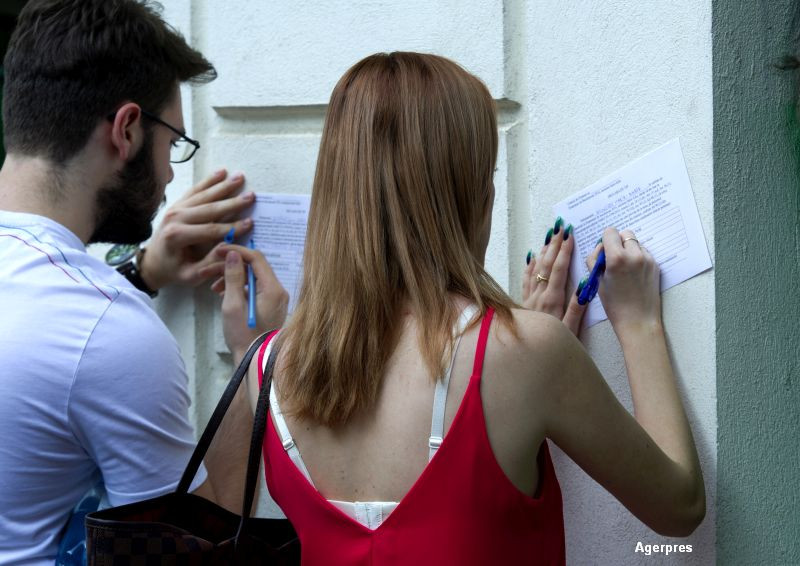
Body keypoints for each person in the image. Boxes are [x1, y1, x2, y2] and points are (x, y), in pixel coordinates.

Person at [233, 52, 705, 564]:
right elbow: (678, 508)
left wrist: (522, 343)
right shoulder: (527, 355)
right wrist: (637, 323)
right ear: (467, 193)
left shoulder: (266, 369)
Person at [0, 1, 286, 563]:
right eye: (173, 141)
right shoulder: (106, 328)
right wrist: (260, 357)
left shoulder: (82, 313)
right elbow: (198, 542)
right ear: (128, 129)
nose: (174, 171)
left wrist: (138, 273)